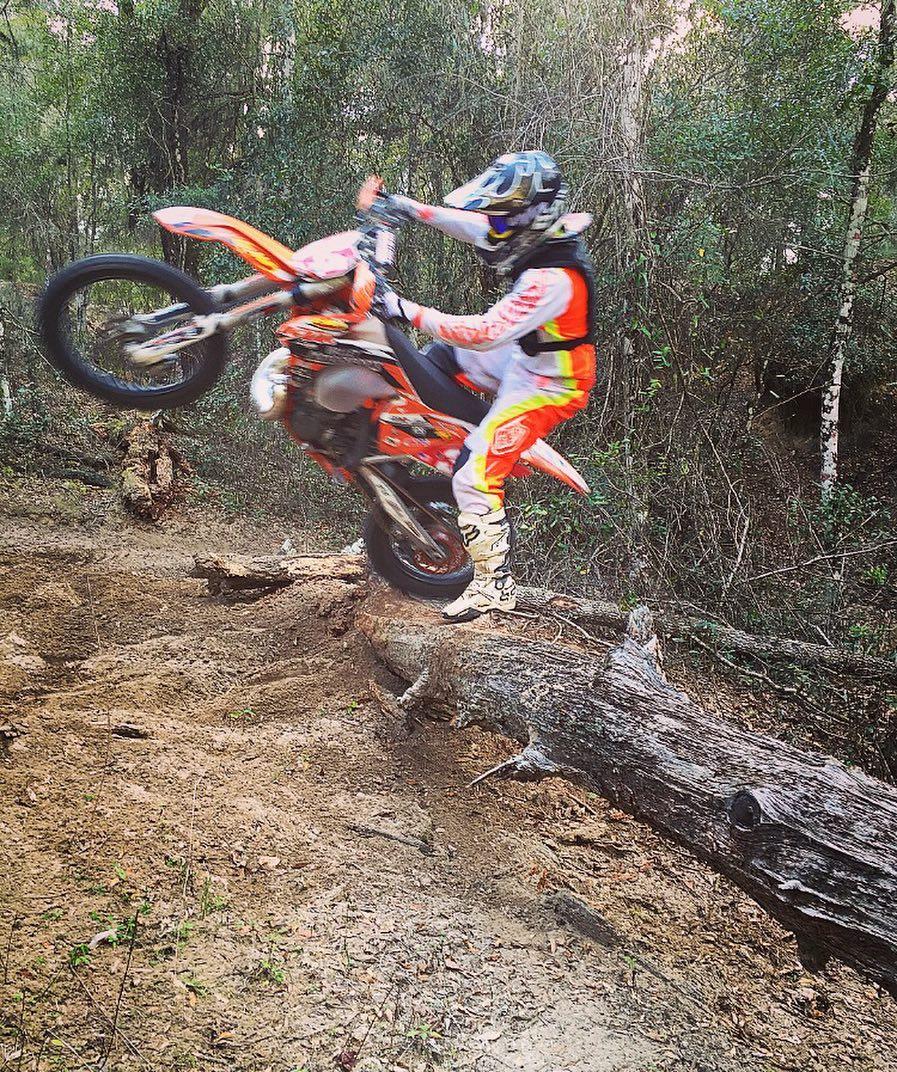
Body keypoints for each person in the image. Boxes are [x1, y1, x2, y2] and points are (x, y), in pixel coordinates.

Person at [370, 150, 596, 623]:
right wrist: (406, 207)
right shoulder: (536, 233)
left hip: (551, 383)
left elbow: (485, 331)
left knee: (474, 476)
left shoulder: (552, 278)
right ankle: (436, 459)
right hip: (526, 356)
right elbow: (474, 227)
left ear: (529, 215)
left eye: (501, 213)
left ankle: (494, 586)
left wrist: (403, 309)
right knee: (429, 366)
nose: (493, 221)